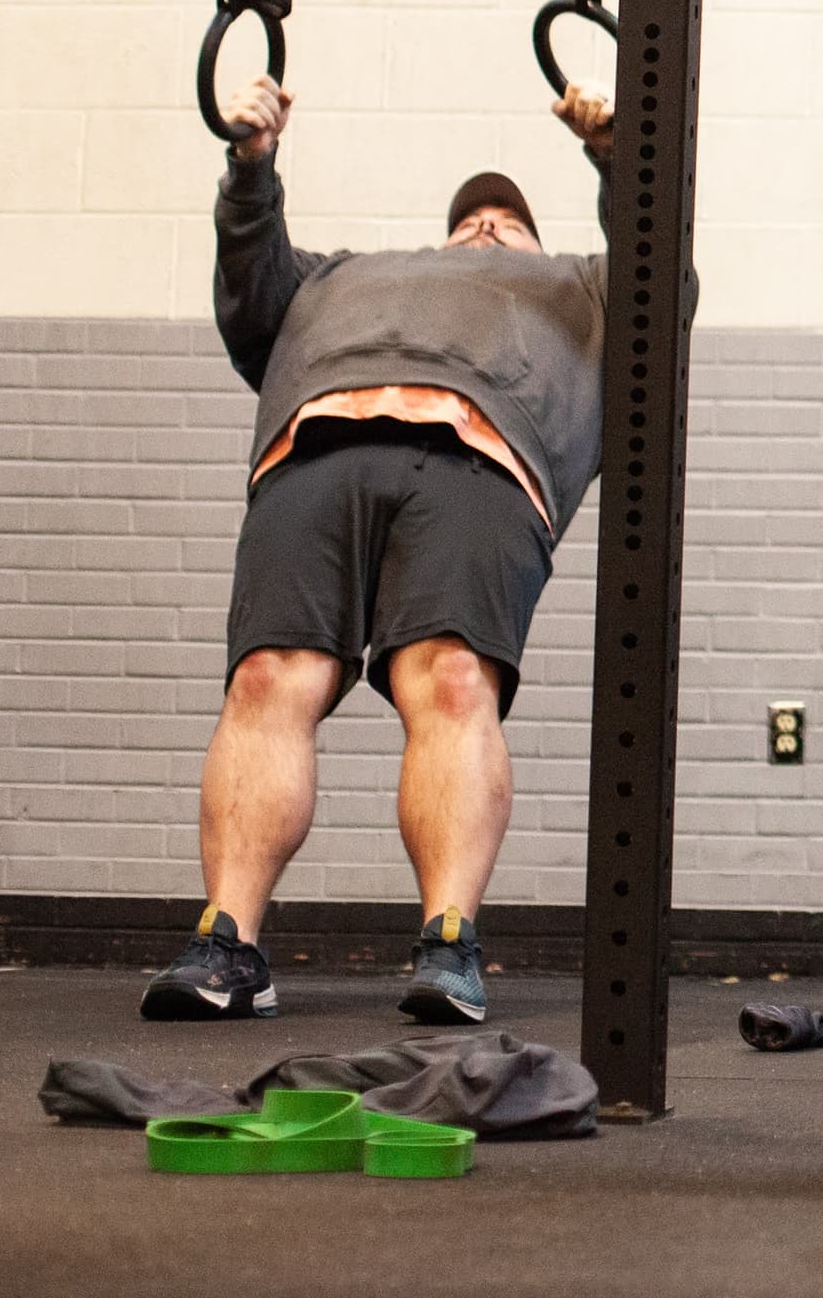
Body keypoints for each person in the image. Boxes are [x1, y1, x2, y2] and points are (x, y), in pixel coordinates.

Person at [139, 74, 616, 1025]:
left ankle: (448, 943)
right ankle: (227, 944)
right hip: (313, 444)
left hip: (483, 452)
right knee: (270, 680)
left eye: (507, 221)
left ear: (534, 240)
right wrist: (250, 165)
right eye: (471, 218)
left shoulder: (580, 286)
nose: (487, 226)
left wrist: (613, 153)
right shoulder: (339, 274)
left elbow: (666, 279)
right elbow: (250, 295)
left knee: (447, 680)